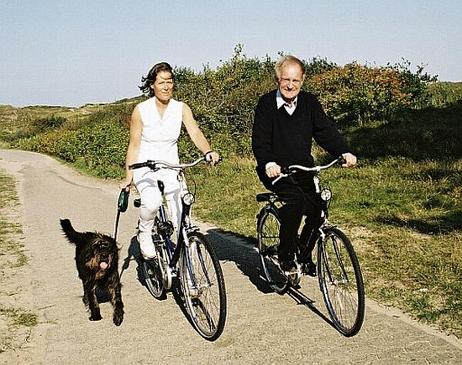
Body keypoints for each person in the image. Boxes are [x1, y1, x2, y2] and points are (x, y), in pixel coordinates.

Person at [252, 55, 357, 274]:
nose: (290, 85)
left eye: (295, 81)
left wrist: (344, 151)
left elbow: (325, 132)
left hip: (304, 169)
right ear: (277, 80)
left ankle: (304, 253)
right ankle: (286, 257)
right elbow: (260, 141)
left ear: (302, 80)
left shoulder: (309, 102)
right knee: (295, 202)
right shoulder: (266, 104)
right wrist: (269, 163)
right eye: (285, 80)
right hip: (276, 171)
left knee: (318, 209)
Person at [120, 62, 219, 260]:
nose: (166, 86)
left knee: (181, 214)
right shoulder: (141, 110)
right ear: (152, 85)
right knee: (152, 201)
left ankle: (186, 257)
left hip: (171, 166)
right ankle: (145, 232)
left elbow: (195, 132)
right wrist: (128, 176)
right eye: (161, 82)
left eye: (169, 82)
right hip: (145, 167)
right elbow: (134, 145)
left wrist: (208, 151)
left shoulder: (181, 108)